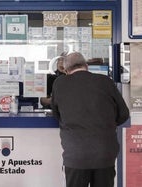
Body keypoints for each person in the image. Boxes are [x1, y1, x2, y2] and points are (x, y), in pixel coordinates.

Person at [51, 52, 129, 187]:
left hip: (76, 154)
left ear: (66, 70)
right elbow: (123, 114)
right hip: (104, 153)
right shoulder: (105, 81)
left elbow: (56, 114)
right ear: (86, 66)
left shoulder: (60, 83)